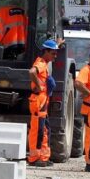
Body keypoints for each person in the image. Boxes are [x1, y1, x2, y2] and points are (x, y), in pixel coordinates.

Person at [27, 39, 58, 167]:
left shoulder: (44, 63)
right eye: (53, 53)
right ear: (45, 52)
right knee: (38, 130)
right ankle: (35, 157)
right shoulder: (40, 63)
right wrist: (39, 85)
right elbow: (32, 72)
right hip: (38, 100)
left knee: (45, 129)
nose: (55, 56)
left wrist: (58, 43)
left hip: (43, 100)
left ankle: (43, 157)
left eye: (56, 53)